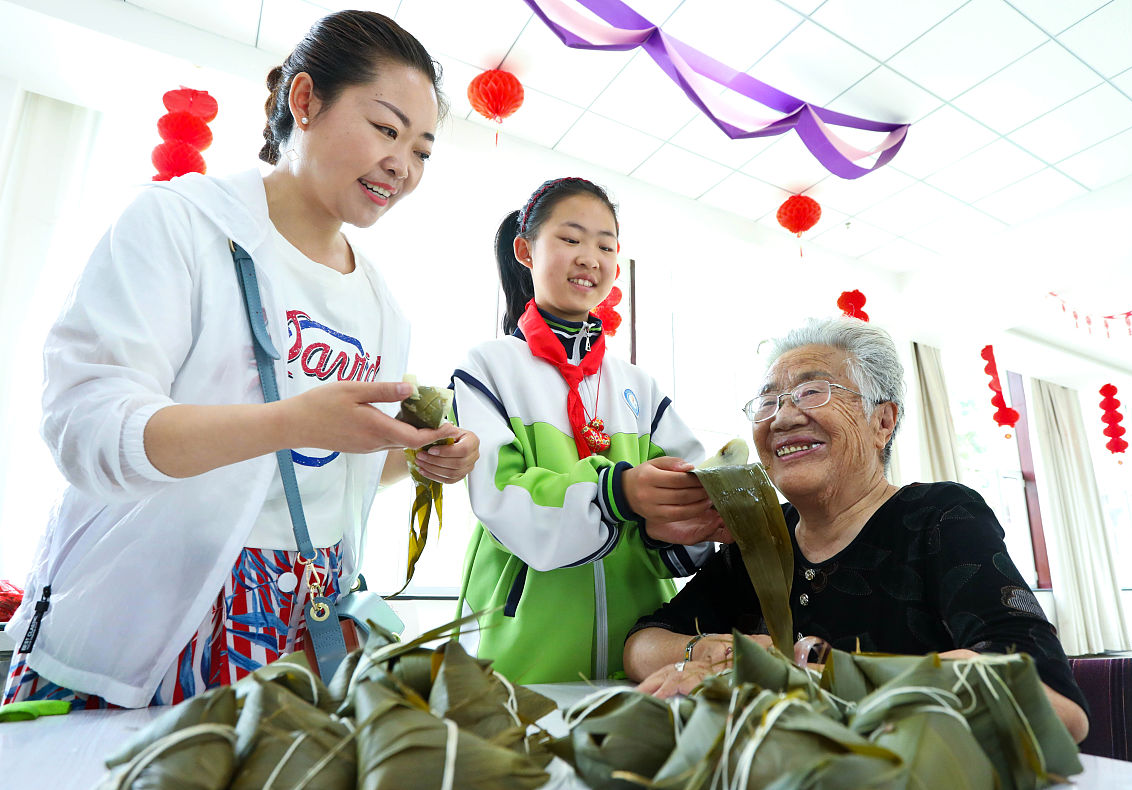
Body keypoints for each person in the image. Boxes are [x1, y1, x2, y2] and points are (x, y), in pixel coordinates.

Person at [2, 10, 479, 711]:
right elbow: (87, 428)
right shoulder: (180, 222)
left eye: (422, 151)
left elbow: (328, 471)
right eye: (386, 129)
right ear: (305, 100)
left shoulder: (382, 306)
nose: (402, 166)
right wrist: (289, 421)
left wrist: (416, 454)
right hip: (149, 616)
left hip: (300, 628)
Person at [623, 317, 1090, 743]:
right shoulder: (762, 535)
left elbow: (1055, 706)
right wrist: (714, 654)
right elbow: (643, 643)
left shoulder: (940, 516)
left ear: (882, 421)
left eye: (812, 392)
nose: (783, 417)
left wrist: (811, 672)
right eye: (768, 402)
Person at [452, 177, 728, 684]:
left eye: (606, 246)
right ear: (525, 251)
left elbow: (686, 497)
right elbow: (503, 500)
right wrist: (617, 493)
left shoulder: (639, 386)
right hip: (519, 656)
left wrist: (685, 521)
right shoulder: (488, 367)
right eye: (571, 238)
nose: (590, 258)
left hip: (639, 653)